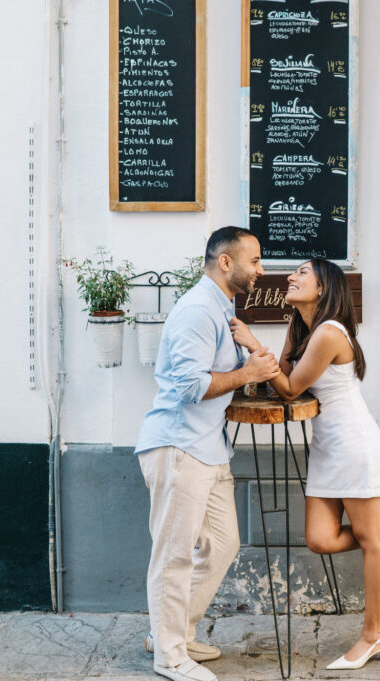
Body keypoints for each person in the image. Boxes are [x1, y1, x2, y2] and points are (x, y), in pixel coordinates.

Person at [229, 258, 380, 671]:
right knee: (319, 539)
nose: (291, 277)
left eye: (302, 273)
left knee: (368, 542)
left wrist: (251, 344)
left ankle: (373, 634)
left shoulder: (329, 332)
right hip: (327, 446)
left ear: (324, 287)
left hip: (353, 443)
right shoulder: (302, 328)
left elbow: (288, 389)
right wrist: (267, 359)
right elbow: (280, 374)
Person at [135, 226, 280, 681]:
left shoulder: (220, 309)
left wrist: (249, 361)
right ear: (225, 262)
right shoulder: (199, 311)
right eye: (254, 261)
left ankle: (171, 633)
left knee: (223, 544)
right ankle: (170, 656)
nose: (260, 270)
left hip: (208, 448)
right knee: (174, 555)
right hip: (179, 446)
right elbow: (190, 386)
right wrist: (248, 372)